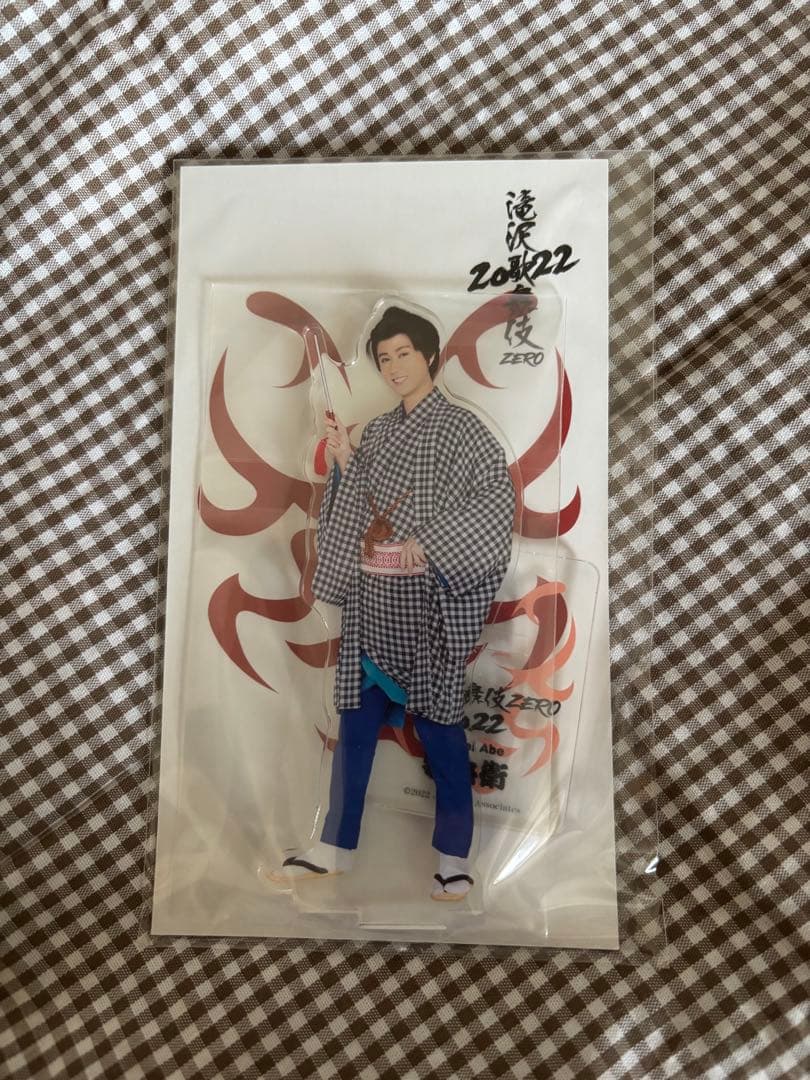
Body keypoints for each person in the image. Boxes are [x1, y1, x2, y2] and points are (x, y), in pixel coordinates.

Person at [275, 305, 515, 900]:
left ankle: (454, 858)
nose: (394, 367)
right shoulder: (379, 432)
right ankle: (334, 847)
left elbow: (494, 502)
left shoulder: (463, 430)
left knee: (441, 733)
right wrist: (344, 461)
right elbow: (363, 503)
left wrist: (430, 543)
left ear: (429, 355)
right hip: (373, 604)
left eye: (404, 353)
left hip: (432, 608)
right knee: (354, 728)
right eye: (384, 358)